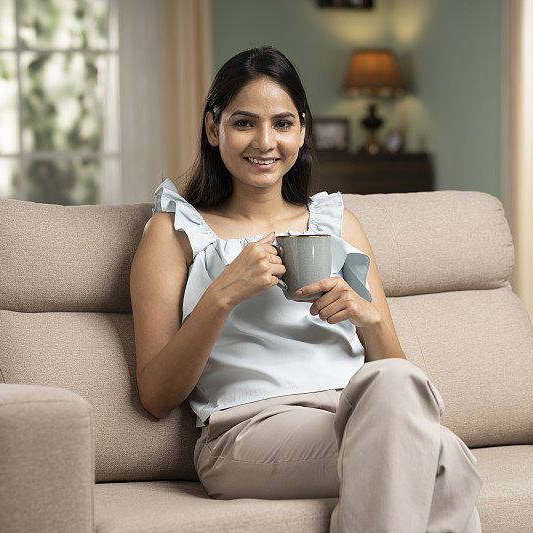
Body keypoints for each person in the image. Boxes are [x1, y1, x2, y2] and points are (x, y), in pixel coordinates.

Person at [129, 45, 482, 532]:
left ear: (303, 130)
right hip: (246, 431)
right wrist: (223, 294)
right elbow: (156, 395)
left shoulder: (339, 224)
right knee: (445, 456)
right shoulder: (174, 231)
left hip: (357, 409)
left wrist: (368, 317)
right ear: (214, 129)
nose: (265, 142)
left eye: (282, 123)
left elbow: (394, 367)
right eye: (244, 123)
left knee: (399, 385)